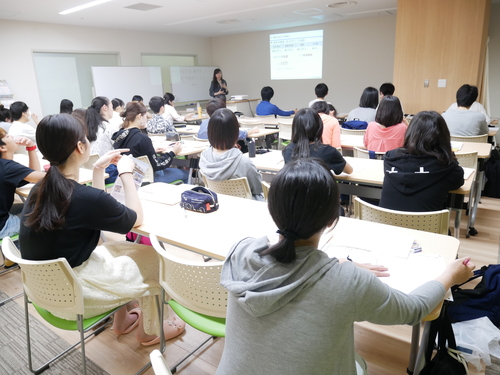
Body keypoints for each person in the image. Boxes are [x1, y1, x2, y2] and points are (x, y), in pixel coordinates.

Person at [216, 157, 475, 375]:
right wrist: (450, 275)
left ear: (272, 209)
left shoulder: (241, 252)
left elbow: (291, 265)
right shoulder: (347, 283)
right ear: (332, 219)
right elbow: (413, 309)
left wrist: (333, 265)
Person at [19, 114, 185, 345]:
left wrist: (98, 170)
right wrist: (127, 172)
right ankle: (151, 331)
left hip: (47, 293)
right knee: (155, 260)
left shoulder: (40, 189)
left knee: (120, 248)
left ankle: (122, 321)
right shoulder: (83, 197)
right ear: (80, 146)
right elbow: (135, 219)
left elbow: (94, 210)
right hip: (78, 297)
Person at [380, 111, 464, 212]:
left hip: (387, 225)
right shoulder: (447, 166)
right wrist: (449, 155)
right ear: (443, 137)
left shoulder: (391, 158)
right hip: (426, 227)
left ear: (410, 133)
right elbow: (458, 182)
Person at [113, 101, 188, 183]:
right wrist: (173, 152)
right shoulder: (142, 138)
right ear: (139, 116)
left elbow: (132, 152)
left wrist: (152, 151)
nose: (147, 120)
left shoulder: (119, 136)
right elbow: (158, 165)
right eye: (146, 116)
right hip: (148, 177)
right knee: (186, 174)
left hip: (128, 177)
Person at [199, 108, 264, 200]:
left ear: (210, 132)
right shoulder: (244, 162)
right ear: (235, 132)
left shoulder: (204, 156)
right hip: (245, 207)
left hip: (218, 203)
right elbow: (258, 189)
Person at [0, 127, 44, 239]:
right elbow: (40, 177)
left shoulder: (5, 167)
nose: (11, 136)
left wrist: (30, 147)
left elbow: (33, 175)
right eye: (7, 136)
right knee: (43, 212)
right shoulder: (8, 168)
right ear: (2, 147)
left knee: (25, 206)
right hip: (2, 226)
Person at [282, 108, 352, 175]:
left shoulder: (288, 150)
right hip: (320, 187)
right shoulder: (328, 151)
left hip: (294, 187)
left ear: (295, 128)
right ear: (319, 127)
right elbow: (349, 171)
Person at [85, 96, 118, 183]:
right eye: (111, 106)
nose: (113, 110)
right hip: (107, 173)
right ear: (105, 108)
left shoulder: (88, 127)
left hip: (89, 174)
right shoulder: (109, 128)